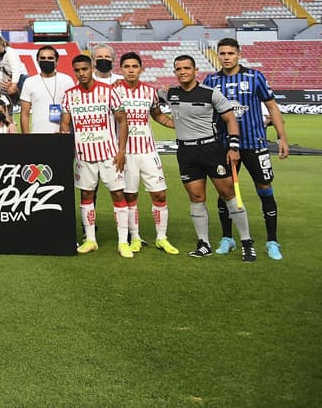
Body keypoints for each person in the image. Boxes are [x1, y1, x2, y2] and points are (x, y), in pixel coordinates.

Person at [160, 54, 256, 261]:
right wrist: (169, 123)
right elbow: (152, 107)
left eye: (187, 68)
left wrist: (233, 147)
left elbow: (230, 119)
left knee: (228, 194)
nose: (183, 72)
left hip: (211, 149)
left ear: (195, 71)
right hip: (186, 152)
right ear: (175, 72)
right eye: (179, 69)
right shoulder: (170, 93)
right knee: (196, 197)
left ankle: (247, 242)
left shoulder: (210, 93)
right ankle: (204, 244)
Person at [203, 37, 288, 260]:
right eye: (222, 53)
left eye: (230, 53)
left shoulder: (254, 77)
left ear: (239, 54)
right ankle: (227, 238)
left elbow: (272, 107)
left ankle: (272, 241)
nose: (226, 57)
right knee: (224, 191)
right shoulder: (211, 80)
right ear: (218, 55)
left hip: (254, 143)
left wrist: (282, 138)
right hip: (224, 146)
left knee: (264, 188)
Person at [60, 54, 131, 257]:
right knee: (86, 195)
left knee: (118, 194)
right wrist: (67, 146)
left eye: (85, 69)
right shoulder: (69, 95)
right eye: (77, 70)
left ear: (92, 68)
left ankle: (122, 242)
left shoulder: (108, 91)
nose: (81, 73)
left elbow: (122, 121)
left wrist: (121, 151)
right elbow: (65, 123)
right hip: (83, 155)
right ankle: (90, 239)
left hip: (109, 154)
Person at [117, 52, 179, 254]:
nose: (131, 70)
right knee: (130, 196)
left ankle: (162, 238)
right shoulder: (113, 91)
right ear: (121, 69)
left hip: (148, 151)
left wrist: (181, 126)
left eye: (135, 66)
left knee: (159, 194)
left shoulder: (150, 91)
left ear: (141, 69)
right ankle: (135, 237)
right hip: (126, 153)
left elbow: (158, 115)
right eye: (127, 66)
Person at [19, 46, 75, 134]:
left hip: (63, 135)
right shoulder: (29, 82)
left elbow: (74, 109)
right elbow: (24, 113)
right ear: (37, 61)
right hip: (38, 134)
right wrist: (26, 137)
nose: (46, 60)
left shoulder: (67, 80)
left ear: (57, 61)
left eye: (50, 58)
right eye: (43, 58)